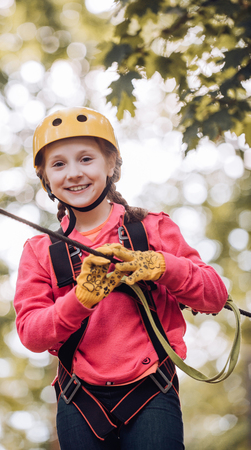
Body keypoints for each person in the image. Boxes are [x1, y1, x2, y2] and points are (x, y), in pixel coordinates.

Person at [14, 107, 228, 449]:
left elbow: (214, 295)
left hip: (151, 390)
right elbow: (32, 333)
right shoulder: (42, 251)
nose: (73, 174)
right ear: (46, 178)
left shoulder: (151, 228)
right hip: (80, 399)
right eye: (58, 164)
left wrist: (162, 265)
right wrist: (80, 299)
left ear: (111, 164)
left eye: (86, 159)